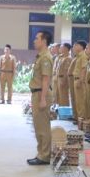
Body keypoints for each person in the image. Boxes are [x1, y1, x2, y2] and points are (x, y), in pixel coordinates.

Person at [28, 30, 54, 165]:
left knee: (43, 126)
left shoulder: (45, 58)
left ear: (44, 41)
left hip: (41, 93)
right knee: (38, 126)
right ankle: (41, 153)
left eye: (37, 38)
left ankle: (44, 156)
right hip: (37, 93)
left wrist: (43, 99)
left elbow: (46, 79)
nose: (34, 40)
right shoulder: (41, 56)